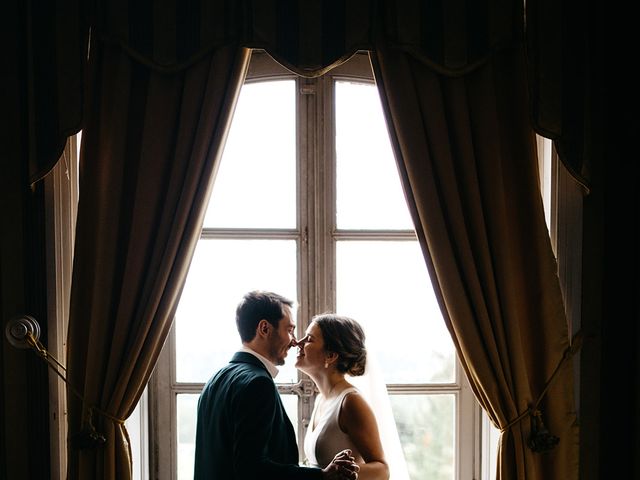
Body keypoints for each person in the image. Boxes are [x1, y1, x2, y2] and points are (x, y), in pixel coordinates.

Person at [194, 291, 360, 480]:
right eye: (289, 330)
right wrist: (321, 476)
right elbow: (251, 468)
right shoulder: (258, 383)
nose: (294, 341)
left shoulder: (215, 379)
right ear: (264, 329)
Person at [295, 314, 390, 480]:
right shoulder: (321, 399)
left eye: (309, 339)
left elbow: (382, 470)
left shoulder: (350, 402)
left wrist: (343, 471)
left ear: (330, 356)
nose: (298, 342)